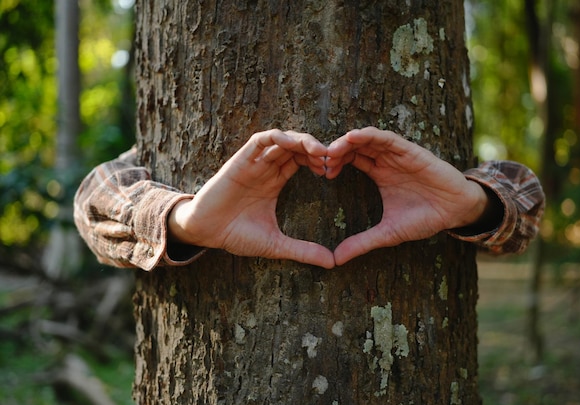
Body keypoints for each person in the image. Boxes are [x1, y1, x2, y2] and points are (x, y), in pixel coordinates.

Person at [73, 127, 545, 271]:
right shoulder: (158, 140)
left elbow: (526, 199)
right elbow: (92, 202)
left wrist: (474, 204)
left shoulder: (447, 145)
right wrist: (180, 220)